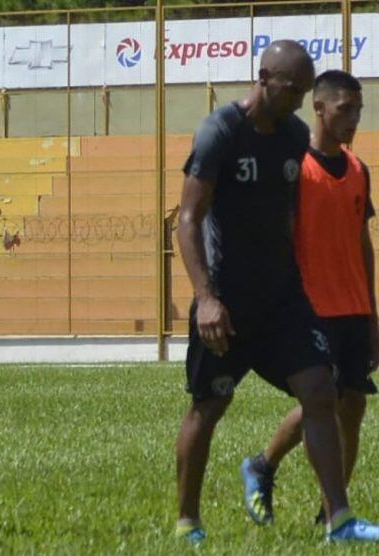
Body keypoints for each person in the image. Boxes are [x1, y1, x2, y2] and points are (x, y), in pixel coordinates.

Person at [175, 40, 379, 545]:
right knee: (210, 406)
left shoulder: (293, 137)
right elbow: (187, 220)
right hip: (227, 302)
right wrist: (205, 297)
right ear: (264, 77)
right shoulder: (220, 131)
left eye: (303, 89)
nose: (297, 97)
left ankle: (338, 519)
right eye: (291, 87)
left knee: (320, 391)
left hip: (283, 300)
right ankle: (187, 520)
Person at [241, 70, 379, 526]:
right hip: (310, 308)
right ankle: (266, 466)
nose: (353, 118)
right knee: (322, 401)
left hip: (354, 309)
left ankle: (329, 516)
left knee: (352, 407)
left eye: (358, 110)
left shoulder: (359, 170)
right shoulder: (294, 167)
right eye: (345, 109)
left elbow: (362, 242)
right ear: (318, 108)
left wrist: (373, 312)